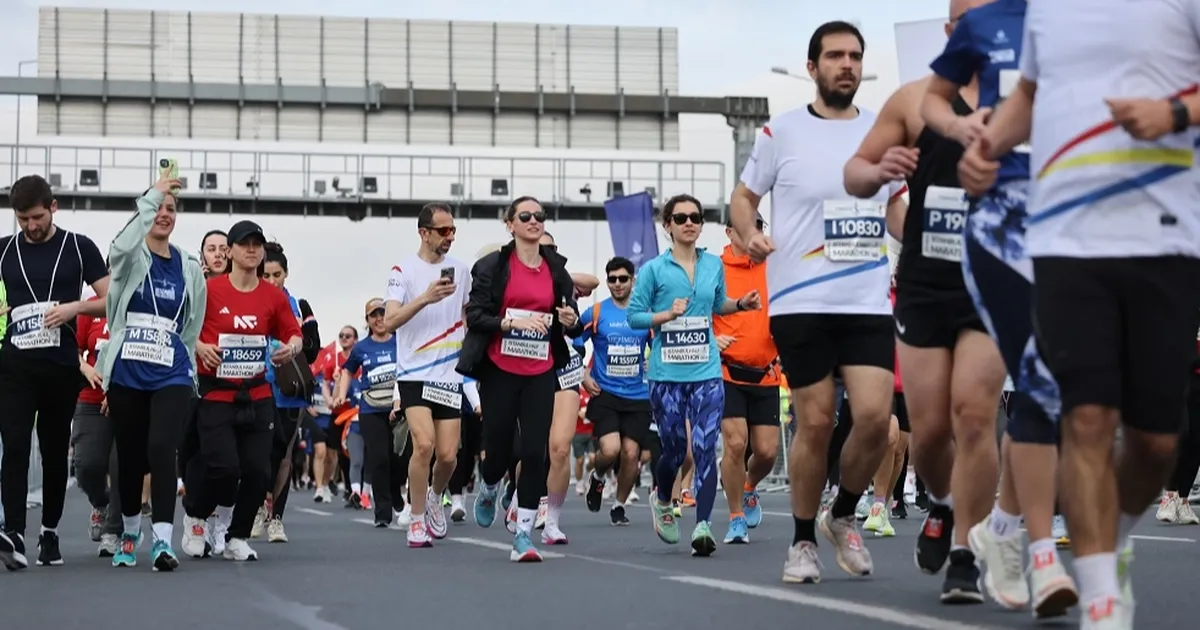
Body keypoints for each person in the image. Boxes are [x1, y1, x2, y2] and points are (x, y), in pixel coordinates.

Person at [959, 1, 1200, 626]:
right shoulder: (1048, 8)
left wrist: (1175, 112)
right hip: (1065, 237)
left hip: (1163, 236)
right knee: (1087, 416)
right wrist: (989, 143)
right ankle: (1101, 598)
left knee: (1154, 440)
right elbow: (1033, 96)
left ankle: (1110, 540)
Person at [842, 0, 1008, 601]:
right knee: (931, 429)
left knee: (974, 413)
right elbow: (856, 174)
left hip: (993, 279)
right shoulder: (914, 100)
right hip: (926, 283)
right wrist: (878, 169)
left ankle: (966, 550)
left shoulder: (1024, 97)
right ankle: (940, 502)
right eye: (967, 17)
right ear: (948, 30)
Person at [730, 21, 905, 583]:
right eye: (835, 56)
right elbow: (743, 196)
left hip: (866, 296)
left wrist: (926, 230)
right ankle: (802, 542)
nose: (847, 65)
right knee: (815, 421)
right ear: (813, 68)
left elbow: (898, 208)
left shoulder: (883, 130)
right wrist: (747, 233)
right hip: (800, 298)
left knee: (877, 420)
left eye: (855, 56)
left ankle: (843, 513)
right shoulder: (781, 132)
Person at [922, 0, 1079, 617]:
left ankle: (1005, 527)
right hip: (1005, 227)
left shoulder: (1096, 23)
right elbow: (936, 100)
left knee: (1082, 400)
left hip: (1084, 215)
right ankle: (1039, 549)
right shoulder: (988, 26)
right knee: (1033, 387)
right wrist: (968, 133)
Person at [628, 193, 762, 557]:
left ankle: (703, 524)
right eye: (681, 217)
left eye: (696, 218)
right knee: (675, 449)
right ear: (667, 225)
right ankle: (661, 497)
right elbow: (634, 316)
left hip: (705, 369)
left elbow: (716, 304)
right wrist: (664, 317)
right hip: (667, 373)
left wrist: (740, 305)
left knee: (704, 448)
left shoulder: (713, 265)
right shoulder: (655, 269)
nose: (690, 223)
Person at [457, 196, 582, 562]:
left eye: (539, 216)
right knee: (497, 450)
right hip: (499, 368)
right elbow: (476, 316)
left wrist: (568, 318)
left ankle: (524, 535)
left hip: (541, 369)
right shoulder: (493, 266)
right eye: (524, 216)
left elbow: (568, 312)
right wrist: (509, 323)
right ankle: (489, 484)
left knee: (534, 452)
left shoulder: (555, 269)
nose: (533, 221)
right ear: (509, 224)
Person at [0, 174, 110, 570]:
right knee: (13, 445)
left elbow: (111, 298)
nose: (30, 226)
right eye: (22, 218)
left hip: (61, 366)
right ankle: (13, 532)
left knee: (51, 451)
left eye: (36, 217)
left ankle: (49, 531)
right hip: (14, 364)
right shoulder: (4, 250)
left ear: (53, 208)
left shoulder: (78, 248)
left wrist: (75, 309)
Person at [99, 175, 206, 570]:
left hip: (172, 372)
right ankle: (130, 532)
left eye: (171, 209)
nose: (164, 215)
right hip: (128, 370)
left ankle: (163, 540)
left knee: (162, 447)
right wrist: (152, 195)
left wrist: (186, 361)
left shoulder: (188, 266)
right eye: (158, 208)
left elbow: (191, 325)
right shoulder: (130, 258)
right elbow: (121, 245)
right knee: (130, 456)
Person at [181, 220, 302, 563]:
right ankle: (196, 515)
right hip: (216, 393)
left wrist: (290, 349)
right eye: (244, 243)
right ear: (230, 251)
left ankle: (237, 536)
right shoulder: (208, 290)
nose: (251, 249)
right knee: (224, 467)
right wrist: (200, 347)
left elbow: (293, 335)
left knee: (257, 470)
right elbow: (184, 330)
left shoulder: (272, 295)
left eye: (256, 244)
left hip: (258, 392)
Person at [383, 203, 471, 547]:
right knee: (424, 444)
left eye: (453, 231)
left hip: (450, 373)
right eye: (443, 231)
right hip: (414, 372)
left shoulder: (461, 270)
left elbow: (468, 315)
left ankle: (435, 496)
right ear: (424, 232)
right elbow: (389, 321)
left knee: (448, 456)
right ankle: (416, 519)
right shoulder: (402, 270)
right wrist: (425, 298)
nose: (449, 237)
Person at [713, 214, 780, 544]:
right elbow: (697, 311)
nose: (753, 231)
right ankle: (736, 517)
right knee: (736, 444)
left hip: (767, 373)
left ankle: (749, 486)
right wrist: (712, 338)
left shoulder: (775, 266)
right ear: (729, 231)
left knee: (767, 453)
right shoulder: (714, 269)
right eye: (745, 225)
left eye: (758, 224)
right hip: (727, 371)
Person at [579, 257, 653, 526]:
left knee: (631, 454)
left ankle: (620, 505)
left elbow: (659, 347)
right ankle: (597, 478)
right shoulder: (596, 312)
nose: (617, 284)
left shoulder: (645, 313)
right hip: (606, 393)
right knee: (610, 450)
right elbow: (574, 343)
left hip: (638, 396)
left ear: (633, 280)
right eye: (612, 279)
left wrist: (652, 361)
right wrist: (583, 374)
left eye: (623, 278)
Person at [255, 243, 320, 543]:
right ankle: (256, 508)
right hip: (256, 384)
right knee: (258, 453)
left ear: (286, 274)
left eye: (277, 274)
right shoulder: (250, 301)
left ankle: (276, 518)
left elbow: (314, 347)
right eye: (266, 275)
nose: (272, 281)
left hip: (289, 388)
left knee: (283, 455)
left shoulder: (299, 306)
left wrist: (292, 344)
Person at [332, 299, 402, 530]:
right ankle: (382, 512)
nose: (379, 319)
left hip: (398, 409)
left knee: (399, 458)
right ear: (368, 321)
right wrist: (341, 394)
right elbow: (347, 371)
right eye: (374, 315)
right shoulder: (361, 347)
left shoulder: (401, 342)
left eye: (383, 314)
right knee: (379, 458)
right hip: (371, 410)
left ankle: (395, 490)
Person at [72, 289, 120, 557]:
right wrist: (85, 367)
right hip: (91, 398)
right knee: (87, 465)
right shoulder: (91, 308)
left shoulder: (140, 306)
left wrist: (119, 392)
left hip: (128, 399)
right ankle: (101, 503)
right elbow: (73, 348)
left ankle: (114, 531)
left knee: (121, 465)